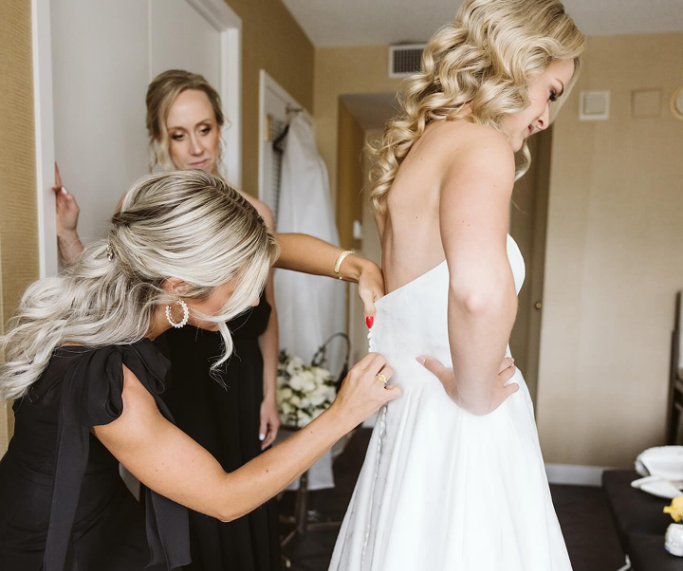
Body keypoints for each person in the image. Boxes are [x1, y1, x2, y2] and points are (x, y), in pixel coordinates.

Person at [52, 70, 382, 570]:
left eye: (204, 129)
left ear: (221, 128)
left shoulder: (252, 215)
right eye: (179, 134)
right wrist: (69, 239)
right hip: (178, 384)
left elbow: (266, 307)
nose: (195, 147)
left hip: (241, 379)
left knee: (251, 491)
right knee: (197, 505)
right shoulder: (147, 208)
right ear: (160, 139)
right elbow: (110, 300)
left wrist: (270, 389)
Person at [0, 170, 401, 571]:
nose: (250, 297)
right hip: (54, 544)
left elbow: (271, 249)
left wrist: (356, 267)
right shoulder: (108, 381)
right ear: (179, 285)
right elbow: (224, 499)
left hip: (102, 513)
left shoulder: (131, 298)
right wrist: (344, 413)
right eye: (236, 283)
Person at [329, 1, 586, 569]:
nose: (547, 117)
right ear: (521, 63)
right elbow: (478, 292)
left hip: (412, 414)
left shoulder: (425, 148)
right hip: (458, 417)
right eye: (553, 90)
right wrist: (473, 392)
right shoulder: (483, 144)